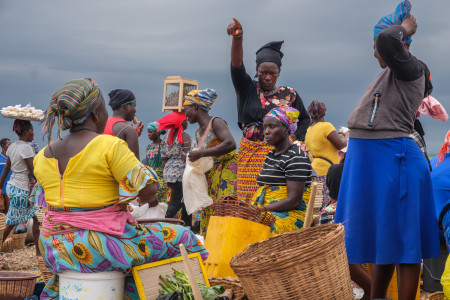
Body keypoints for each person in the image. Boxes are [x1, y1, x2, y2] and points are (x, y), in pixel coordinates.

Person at [31, 78, 207, 300]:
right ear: (96, 113)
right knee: (183, 236)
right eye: (104, 108)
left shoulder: (42, 156)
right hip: (99, 244)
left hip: (55, 247)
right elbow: (149, 190)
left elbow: (50, 200)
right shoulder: (109, 146)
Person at [335, 2, 440, 299]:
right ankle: (377, 297)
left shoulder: (410, 68)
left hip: (395, 159)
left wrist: (406, 27)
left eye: (375, 45)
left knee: (405, 242)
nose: (374, 52)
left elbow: (387, 40)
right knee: (385, 238)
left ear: (400, 43)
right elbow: (385, 41)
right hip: (376, 159)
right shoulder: (392, 74)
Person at [227, 18, 311, 202]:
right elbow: (236, 65)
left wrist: (294, 138)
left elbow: (304, 119)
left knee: (274, 198)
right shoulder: (247, 88)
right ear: (257, 70)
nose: (267, 77)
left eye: (272, 73)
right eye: (263, 72)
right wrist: (237, 38)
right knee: (248, 201)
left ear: (279, 72)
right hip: (251, 153)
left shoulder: (290, 94)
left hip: (280, 154)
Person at [183, 88, 238, 236]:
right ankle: (212, 248)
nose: (185, 113)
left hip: (226, 174)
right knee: (210, 210)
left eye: (186, 108)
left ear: (195, 107)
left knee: (224, 210)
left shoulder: (216, 122)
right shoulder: (198, 132)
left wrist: (201, 152)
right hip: (211, 177)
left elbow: (231, 143)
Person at [251, 107, 312, 234]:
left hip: (291, 215)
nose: (266, 132)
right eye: (265, 127)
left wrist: (261, 210)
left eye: (272, 127)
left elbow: (294, 200)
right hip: (268, 211)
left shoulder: (296, 156)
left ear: (286, 128)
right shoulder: (271, 155)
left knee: (252, 226)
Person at [0, 120, 40, 255]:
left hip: (12, 186)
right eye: (32, 131)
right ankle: (0, 247)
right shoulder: (27, 148)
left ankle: (38, 252)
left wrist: (0, 187)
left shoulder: (12, 147)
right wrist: (44, 182)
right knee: (11, 223)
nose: (34, 134)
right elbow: (32, 171)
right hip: (21, 190)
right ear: (26, 132)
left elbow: (6, 169)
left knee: (35, 218)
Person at [305, 101, 347, 208]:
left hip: (316, 170)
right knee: (331, 205)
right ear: (324, 113)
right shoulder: (326, 126)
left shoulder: (309, 130)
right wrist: (347, 135)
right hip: (328, 172)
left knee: (318, 207)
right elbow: (341, 146)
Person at [158, 112, 193, 227]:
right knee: (176, 201)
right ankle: (164, 224)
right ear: (181, 123)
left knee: (186, 200)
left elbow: (163, 157)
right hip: (181, 172)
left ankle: (187, 225)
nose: (187, 121)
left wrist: (165, 173)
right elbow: (187, 157)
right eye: (185, 120)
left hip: (170, 171)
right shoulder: (185, 136)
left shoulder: (167, 136)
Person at [103, 89, 143, 159]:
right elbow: (135, 166)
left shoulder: (103, 124)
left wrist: (134, 136)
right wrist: (133, 135)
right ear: (126, 106)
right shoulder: (128, 130)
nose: (135, 110)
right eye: (134, 106)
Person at [143, 122, 168, 203]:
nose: (148, 134)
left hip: (160, 178)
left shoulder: (163, 146)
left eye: (150, 132)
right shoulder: (148, 147)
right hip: (150, 178)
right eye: (148, 132)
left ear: (157, 132)